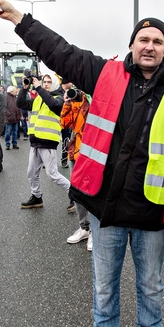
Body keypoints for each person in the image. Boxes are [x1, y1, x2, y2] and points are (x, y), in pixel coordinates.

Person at [0, 0, 164, 327]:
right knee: (104, 282)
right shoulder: (104, 74)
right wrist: (20, 19)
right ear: (132, 45)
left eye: (157, 40)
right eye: (143, 39)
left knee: (151, 284)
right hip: (105, 208)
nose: (149, 46)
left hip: (154, 211)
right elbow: (60, 51)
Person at [16, 73, 71, 208]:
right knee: (31, 173)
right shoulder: (38, 99)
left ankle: (75, 195)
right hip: (35, 141)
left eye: (48, 82)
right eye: (44, 81)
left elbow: (53, 105)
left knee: (53, 175)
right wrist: (24, 88)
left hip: (48, 142)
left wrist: (39, 88)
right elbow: (21, 103)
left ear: (55, 84)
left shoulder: (59, 98)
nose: (45, 84)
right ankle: (37, 197)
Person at [60, 84, 92, 249]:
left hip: (93, 152)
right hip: (76, 151)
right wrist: (67, 102)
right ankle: (84, 227)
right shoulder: (74, 99)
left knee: (93, 192)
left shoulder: (95, 95)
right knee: (78, 191)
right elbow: (65, 124)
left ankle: (95, 232)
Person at [59, 79, 74, 168]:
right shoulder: (57, 92)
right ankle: (48, 161)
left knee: (65, 141)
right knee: (54, 142)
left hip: (67, 121)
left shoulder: (73, 93)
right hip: (56, 121)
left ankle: (64, 159)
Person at [4, 85, 22, 150]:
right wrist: (8, 115)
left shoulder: (15, 98)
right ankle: (7, 144)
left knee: (15, 132)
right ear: (11, 91)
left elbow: (18, 107)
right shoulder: (6, 97)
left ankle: (15, 144)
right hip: (9, 118)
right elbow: (4, 108)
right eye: (14, 90)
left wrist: (20, 115)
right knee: (8, 132)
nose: (16, 91)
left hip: (16, 118)